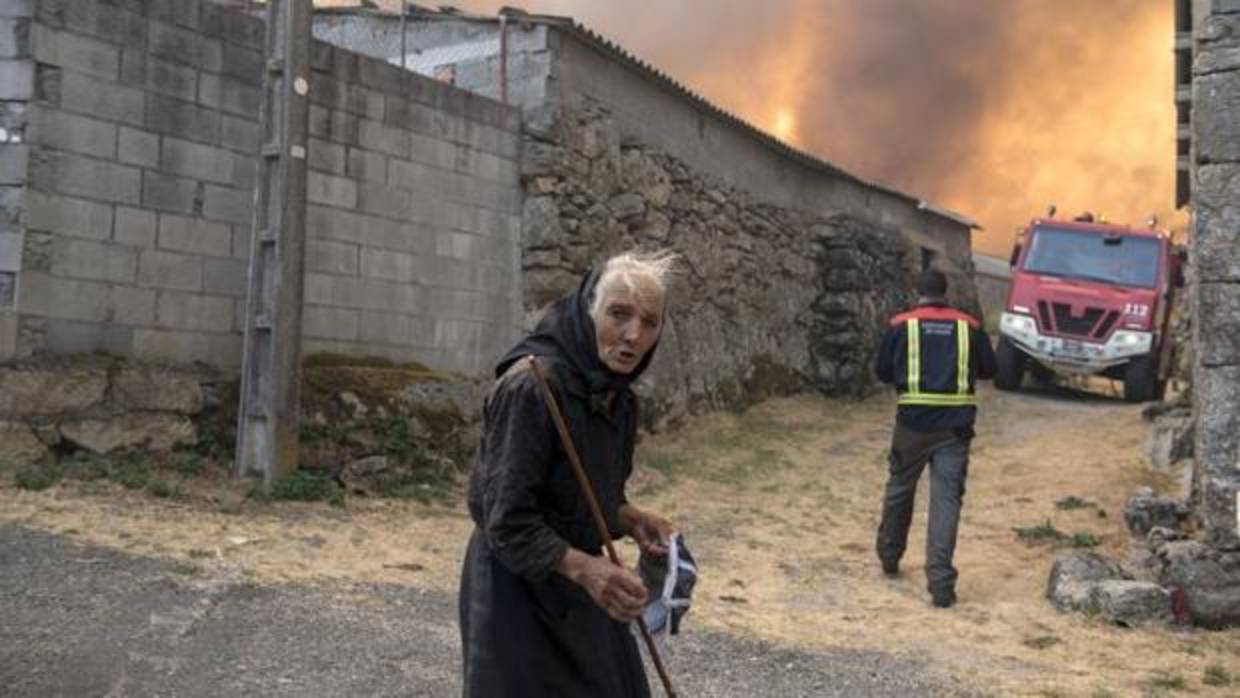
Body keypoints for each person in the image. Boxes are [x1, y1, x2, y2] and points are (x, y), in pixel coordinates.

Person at [459, 250, 679, 697]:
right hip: (514, 591)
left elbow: (585, 494)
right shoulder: (531, 387)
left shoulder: (618, 398)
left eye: (649, 322)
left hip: (579, 582)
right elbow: (506, 519)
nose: (634, 335)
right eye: (618, 314)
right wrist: (586, 570)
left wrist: (629, 519)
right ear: (588, 311)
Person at [873, 269, 996, 608]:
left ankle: (889, 554)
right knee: (946, 500)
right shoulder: (969, 326)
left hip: (911, 425)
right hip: (955, 429)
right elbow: (990, 370)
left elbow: (882, 371)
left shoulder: (901, 325)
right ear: (945, 292)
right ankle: (941, 583)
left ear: (919, 292)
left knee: (900, 487)